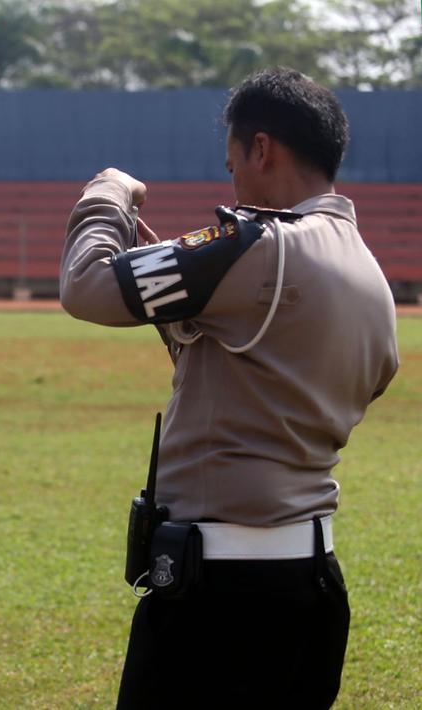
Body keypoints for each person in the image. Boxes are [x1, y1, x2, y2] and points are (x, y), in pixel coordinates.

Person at [59, 67, 398, 708]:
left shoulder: (256, 243)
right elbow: (261, 374)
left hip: (220, 597)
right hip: (311, 584)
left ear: (262, 149)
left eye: (232, 163)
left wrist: (104, 197)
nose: (233, 182)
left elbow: (87, 286)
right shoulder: (368, 274)